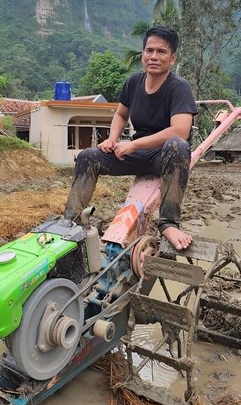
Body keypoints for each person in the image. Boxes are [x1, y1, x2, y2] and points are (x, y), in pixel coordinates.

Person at [64, 26, 198, 250]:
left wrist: (133, 144)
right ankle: (71, 220)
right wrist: (112, 140)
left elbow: (180, 130)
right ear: (143, 54)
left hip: (164, 157)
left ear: (172, 58)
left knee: (178, 146)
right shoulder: (133, 83)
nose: (154, 57)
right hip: (136, 154)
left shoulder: (179, 88)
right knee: (88, 157)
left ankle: (168, 223)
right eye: (149, 50)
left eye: (161, 52)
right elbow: (120, 114)